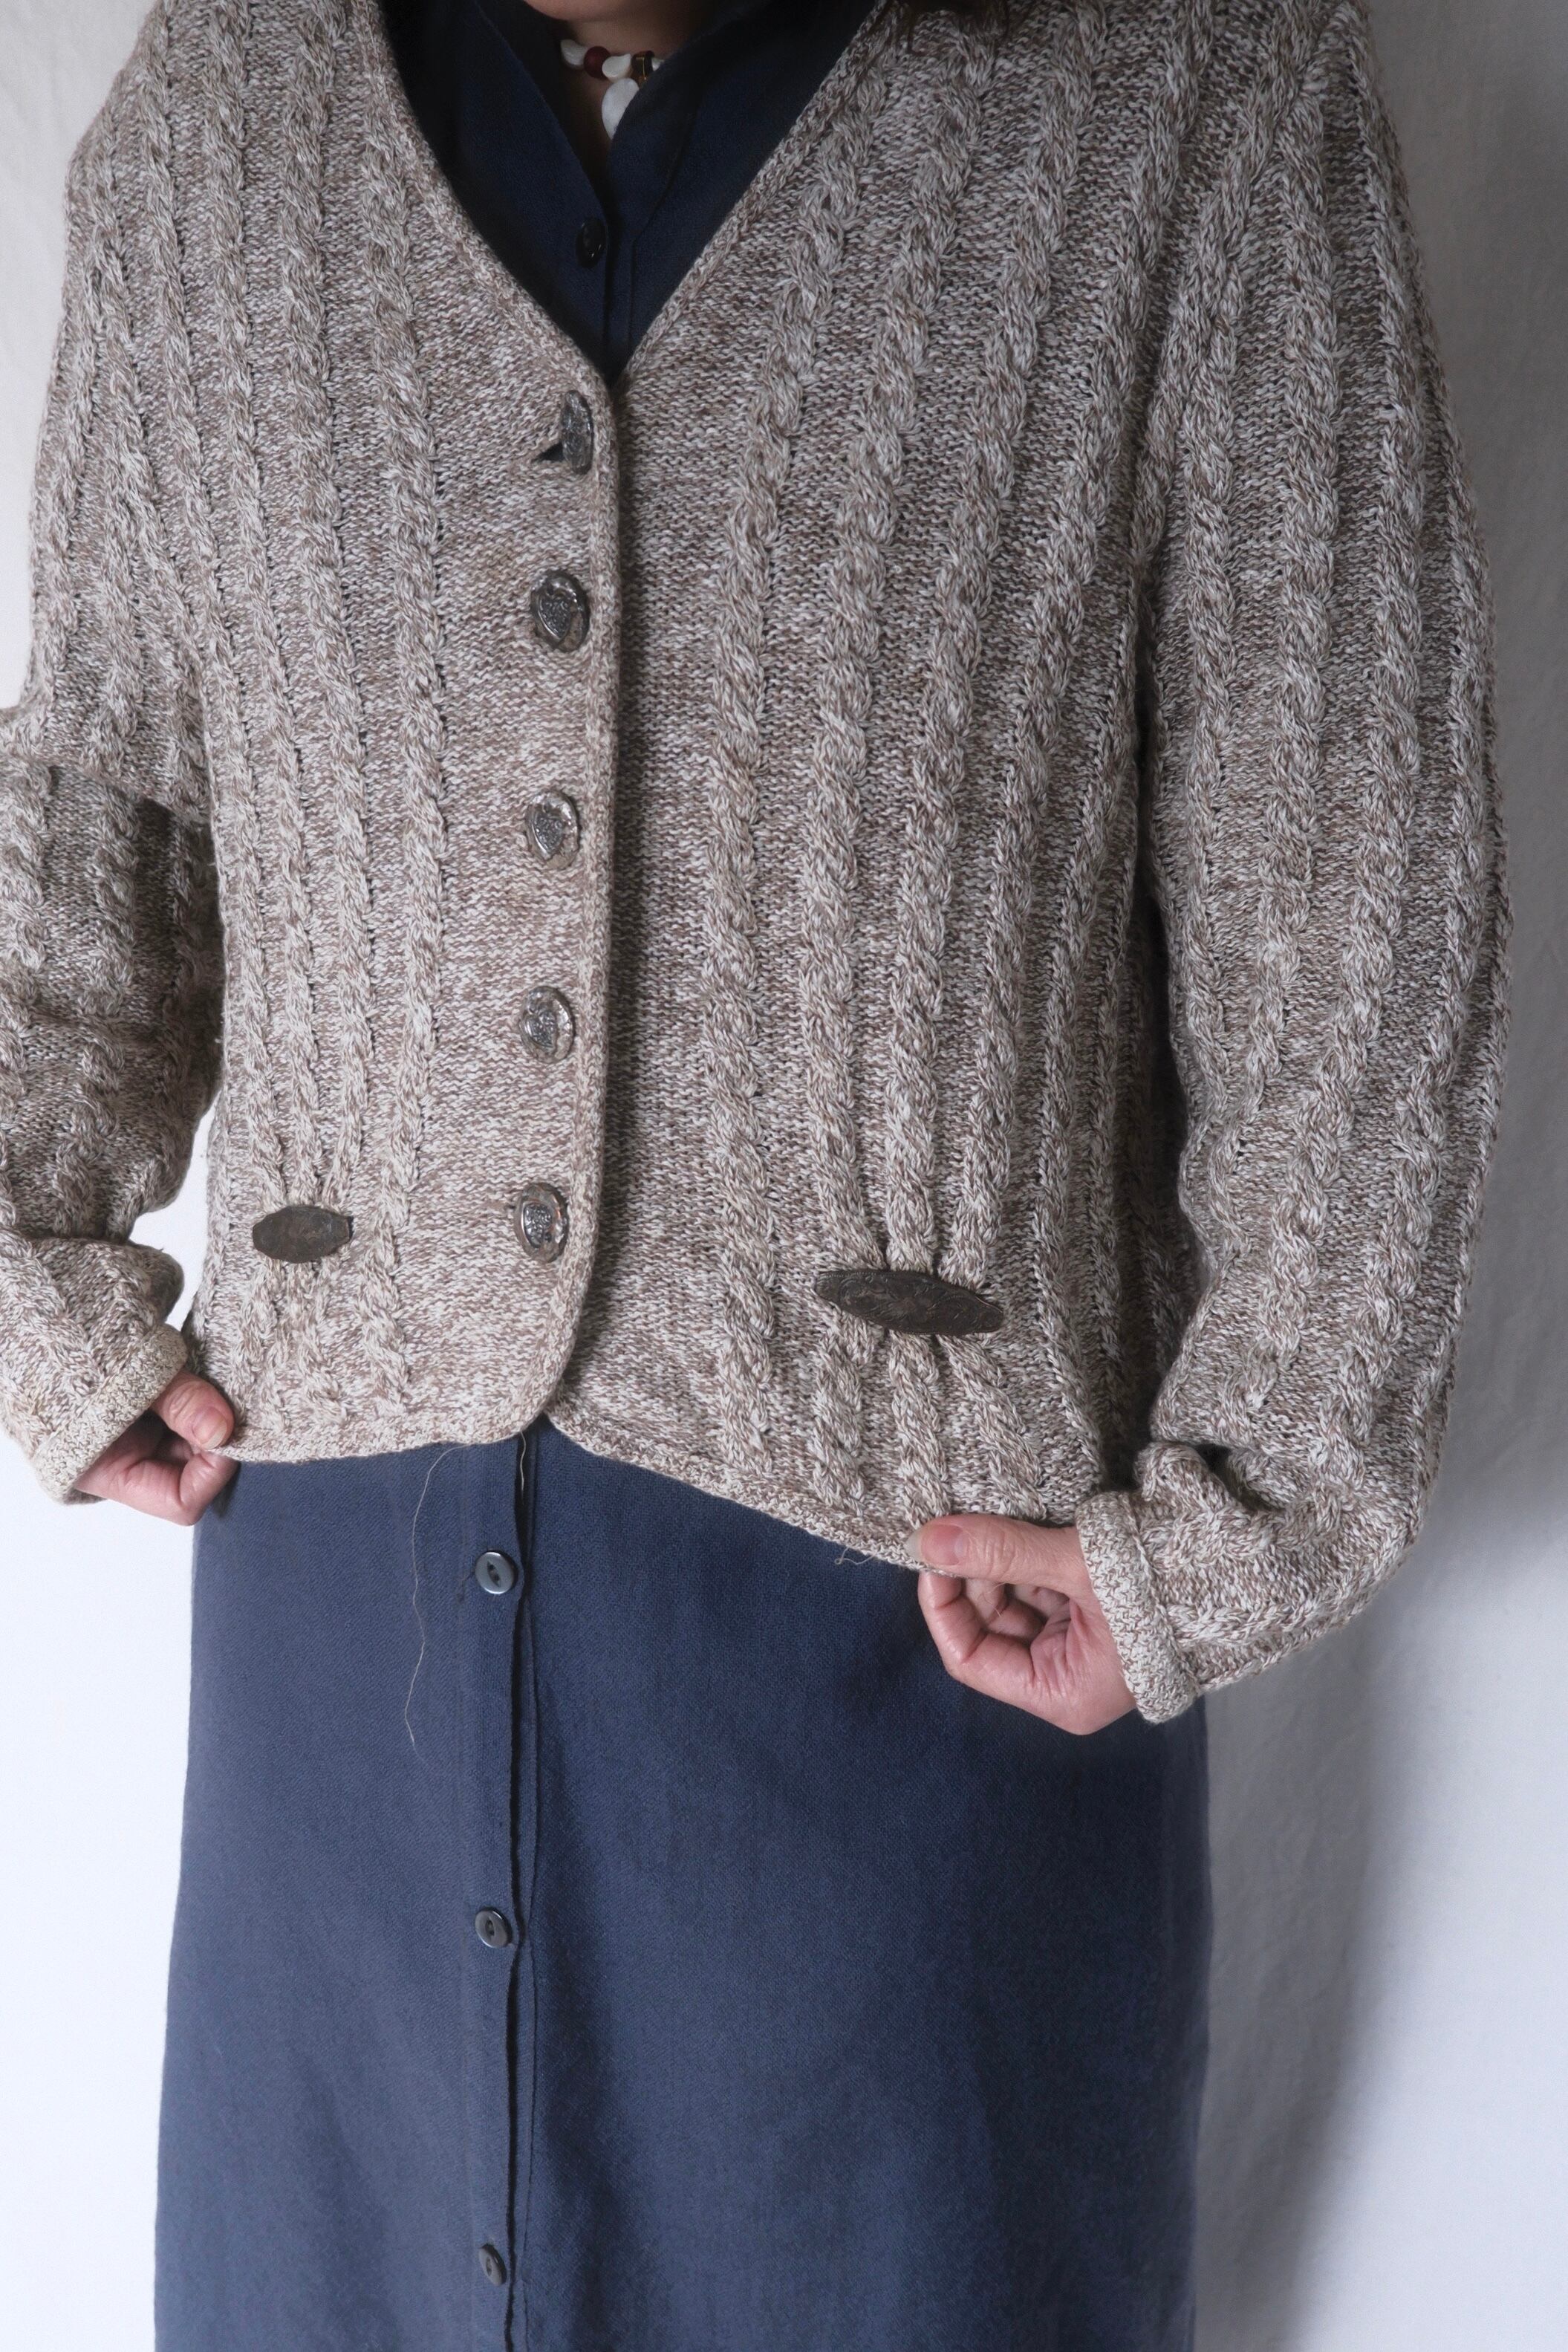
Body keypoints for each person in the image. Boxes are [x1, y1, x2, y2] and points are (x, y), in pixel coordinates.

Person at [0, 0, 1509, 2344]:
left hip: (925, 1666)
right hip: (338, 1671)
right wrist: (30, 1272)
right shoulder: (218, 124)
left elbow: (1350, 884)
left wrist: (1242, 1520)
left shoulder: (1190, 103)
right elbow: (99, 789)